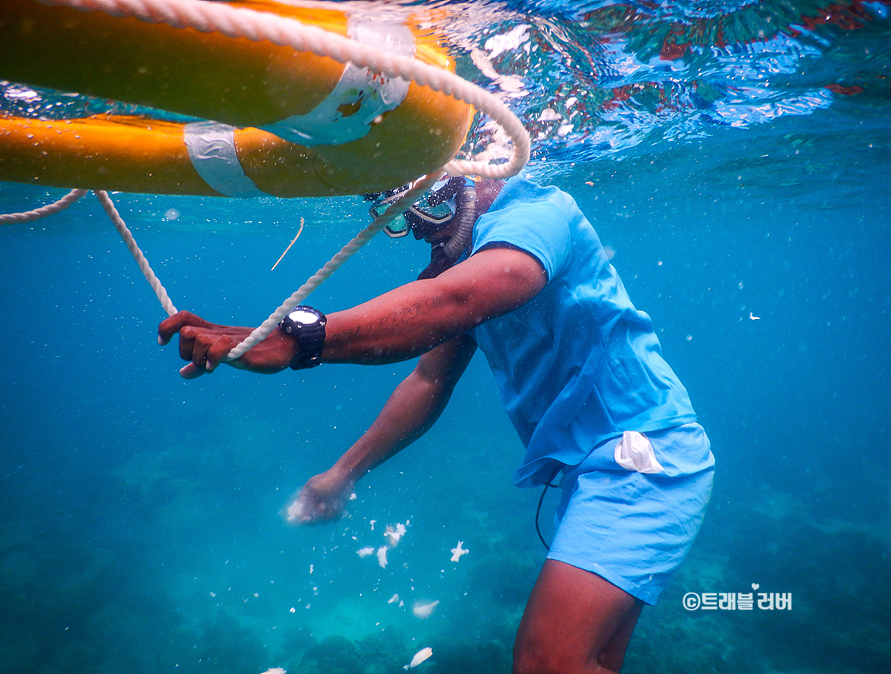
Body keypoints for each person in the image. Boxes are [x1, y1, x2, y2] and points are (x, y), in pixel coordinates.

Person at [158, 174, 715, 674]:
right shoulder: (474, 255)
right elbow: (430, 381)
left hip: (641, 458)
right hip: (600, 468)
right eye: (400, 220)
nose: (417, 232)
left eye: (416, 210)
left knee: (549, 662)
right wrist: (343, 473)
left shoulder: (539, 212)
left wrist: (299, 337)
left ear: (460, 180)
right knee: (586, 662)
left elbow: (457, 298)